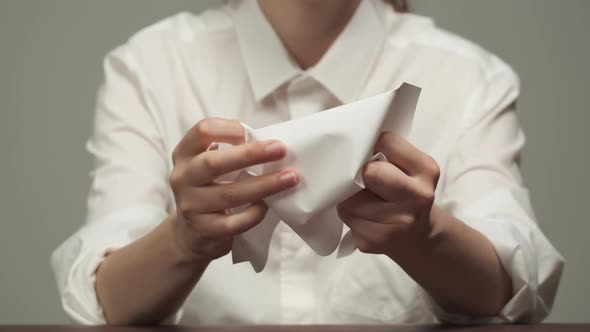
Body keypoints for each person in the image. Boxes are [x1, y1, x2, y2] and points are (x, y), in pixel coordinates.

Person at [51, 0, 564, 325]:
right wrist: (184, 239)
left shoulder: (469, 77)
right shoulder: (151, 66)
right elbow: (104, 302)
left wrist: (425, 237)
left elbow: (516, 290)